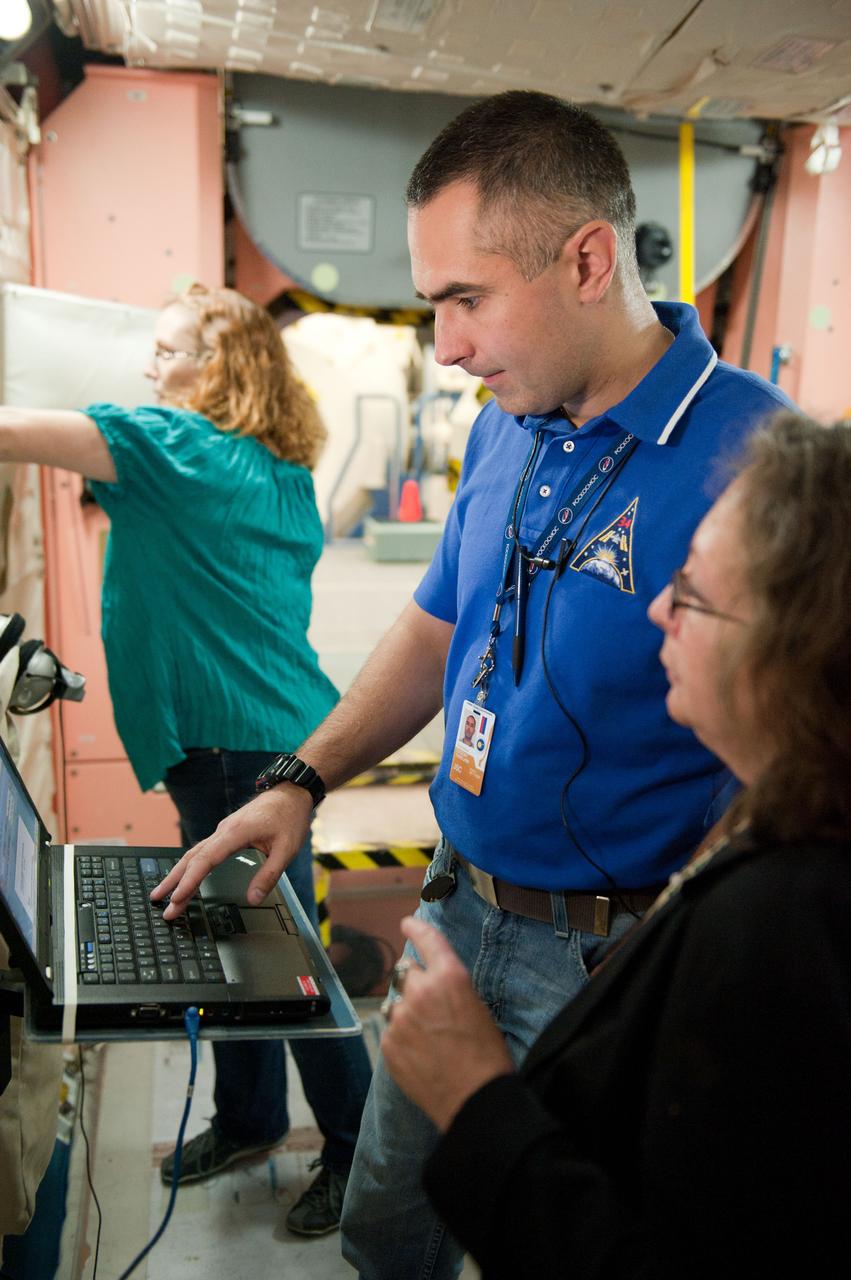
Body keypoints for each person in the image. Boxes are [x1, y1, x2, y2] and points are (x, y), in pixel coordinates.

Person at [152, 93, 792, 1279]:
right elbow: (436, 619)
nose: (442, 343)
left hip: (612, 961)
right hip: (454, 917)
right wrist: (304, 776)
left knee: (554, 1239)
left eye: (464, 298)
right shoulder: (510, 416)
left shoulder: (759, 462)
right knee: (385, 1232)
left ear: (586, 259)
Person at [380, 411, 851, 1278]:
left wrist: (477, 1099)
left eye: (698, 593)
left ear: (798, 650)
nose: (660, 609)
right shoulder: (783, 829)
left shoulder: (777, 930)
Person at [0, 285, 373, 1236]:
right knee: (232, 944)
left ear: (220, 371)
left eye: (166, 353)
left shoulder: (173, 448)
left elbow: (11, 429)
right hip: (261, 736)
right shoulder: (279, 466)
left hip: (236, 751)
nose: (149, 369)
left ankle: (354, 1154)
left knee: (285, 969)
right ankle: (248, 1120)